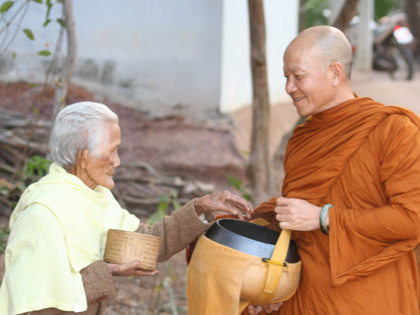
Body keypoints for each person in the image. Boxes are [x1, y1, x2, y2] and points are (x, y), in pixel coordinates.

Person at [0, 101, 253, 315]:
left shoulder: (95, 197)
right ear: (83, 155)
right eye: (112, 152)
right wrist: (104, 272)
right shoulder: (43, 212)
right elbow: (35, 301)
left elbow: (147, 244)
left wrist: (199, 208)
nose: (118, 162)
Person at [246, 25, 420, 315]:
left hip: (368, 297)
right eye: (286, 77)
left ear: (335, 72)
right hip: (305, 296)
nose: (289, 88)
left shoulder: (394, 130)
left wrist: (325, 217)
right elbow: (299, 220)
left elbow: (412, 218)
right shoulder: (303, 138)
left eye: (298, 76)